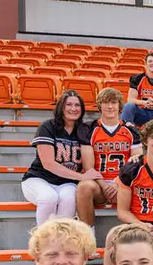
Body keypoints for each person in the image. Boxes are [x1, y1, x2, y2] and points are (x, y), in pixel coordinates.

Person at [22, 89, 103, 226]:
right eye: (69, 105)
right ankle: (43, 242)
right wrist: (81, 177)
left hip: (67, 182)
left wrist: (128, 125)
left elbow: (104, 125)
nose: (73, 109)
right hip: (39, 179)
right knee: (49, 198)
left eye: (77, 105)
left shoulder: (83, 130)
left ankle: (62, 242)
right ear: (61, 107)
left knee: (69, 199)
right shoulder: (48, 126)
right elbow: (48, 164)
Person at [76, 88, 143, 228]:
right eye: (106, 102)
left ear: (120, 106)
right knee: (84, 187)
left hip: (123, 184)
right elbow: (89, 167)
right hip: (99, 184)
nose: (110, 106)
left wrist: (118, 184)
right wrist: (105, 186)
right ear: (100, 105)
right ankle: (87, 236)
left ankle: (137, 233)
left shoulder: (131, 130)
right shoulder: (89, 129)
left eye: (113, 102)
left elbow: (136, 162)